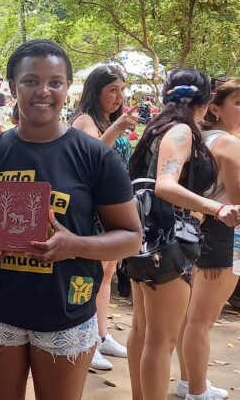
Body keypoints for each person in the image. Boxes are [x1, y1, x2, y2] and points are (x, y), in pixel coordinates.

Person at [0, 39, 143, 400]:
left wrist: (74, 245)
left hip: (67, 309)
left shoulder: (94, 157)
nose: (43, 91)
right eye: (30, 81)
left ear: (67, 88)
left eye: (55, 82)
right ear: (13, 87)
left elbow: (130, 237)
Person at [126, 69, 240, 400]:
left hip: (145, 240)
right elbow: (165, 185)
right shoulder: (182, 131)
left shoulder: (159, 128)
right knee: (160, 339)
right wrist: (216, 208)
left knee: (143, 331)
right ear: (207, 101)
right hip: (167, 243)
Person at [174, 78, 240, 400]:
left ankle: (189, 382)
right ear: (215, 108)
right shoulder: (227, 143)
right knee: (202, 320)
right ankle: (198, 391)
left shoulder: (204, 138)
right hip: (224, 232)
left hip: (199, 230)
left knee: (191, 316)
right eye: (239, 103)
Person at [67, 64, 139, 371]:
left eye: (122, 89)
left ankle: (101, 333)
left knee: (107, 274)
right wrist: (118, 128)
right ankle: (81, 338)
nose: (119, 96)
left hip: (113, 207)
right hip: (90, 209)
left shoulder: (107, 119)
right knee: (88, 276)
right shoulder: (83, 120)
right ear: (96, 91)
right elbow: (91, 157)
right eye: (113, 90)